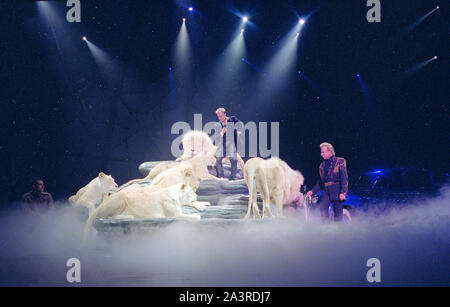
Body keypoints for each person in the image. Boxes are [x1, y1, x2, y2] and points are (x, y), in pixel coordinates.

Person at [306, 143, 348, 222]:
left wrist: (343, 192)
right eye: (321, 152)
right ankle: (326, 229)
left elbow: (344, 178)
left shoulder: (340, 161)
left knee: (338, 213)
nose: (321, 154)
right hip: (326, 191)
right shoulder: (322, 165)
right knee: (322, 209)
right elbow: (320, 182)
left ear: (330, 151)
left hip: (337, 190)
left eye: (323, 152)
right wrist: (312, 191)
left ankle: (338, 230)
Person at [215, 107, 242, 180]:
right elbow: (217, 137)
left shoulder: (232, 119)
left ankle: (233, 177)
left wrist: (238, 132)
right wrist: (221, 133)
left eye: (221, 116)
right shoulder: (218, 125)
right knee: (218, 159)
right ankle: (221, 177)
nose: (220, 118)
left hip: (231, 142)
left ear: (225, 114)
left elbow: (240, 125)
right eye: (218, 117)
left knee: (233, 159)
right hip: (223, 143)